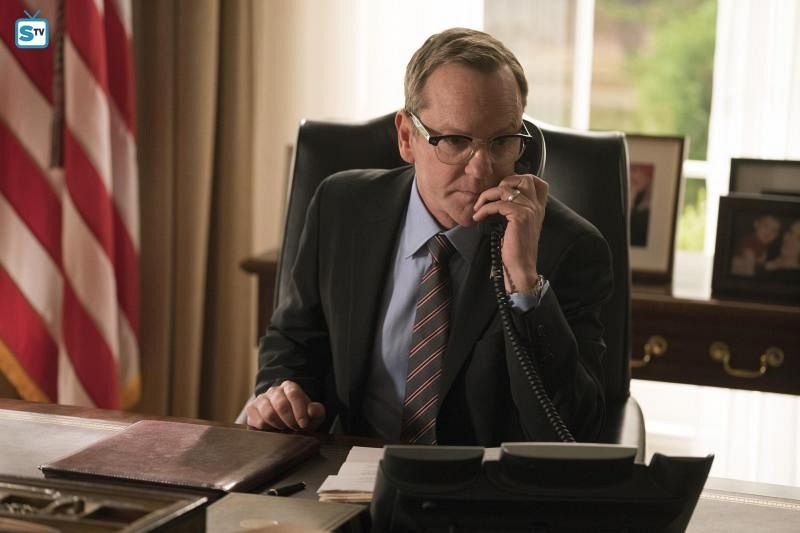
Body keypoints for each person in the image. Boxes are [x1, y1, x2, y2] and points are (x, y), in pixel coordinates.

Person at [246, 28, 610, 446]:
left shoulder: (569, 248)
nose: (481, 168)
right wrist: (282, 394)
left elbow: (575, 431)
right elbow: (294, 341)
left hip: (484, 482)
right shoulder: (341, 206)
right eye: (454, 140)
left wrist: (524, 284)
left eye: (502, 141)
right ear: (407, 137)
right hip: (347, 467)